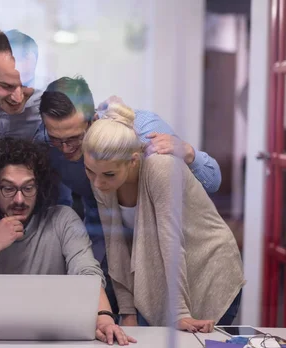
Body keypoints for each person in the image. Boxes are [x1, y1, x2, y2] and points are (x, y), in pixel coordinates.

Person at [35, 76, 223, 314]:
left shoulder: (142, 136)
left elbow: (212, 183)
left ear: (92, 121)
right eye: (55, 139)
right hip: (107, 252)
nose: (65, 148)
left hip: (170, 254)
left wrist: (188, 153)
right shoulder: (44, 143)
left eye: (73, 138)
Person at [0, 137, 136, 345]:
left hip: (58, 344)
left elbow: (86, 273)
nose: (19, 199)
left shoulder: (62, 220)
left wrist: (104, 318)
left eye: (28, 188)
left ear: (40, 188)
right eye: (8, 189)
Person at [81, 102, 245, 332]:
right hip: (164, 278)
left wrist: (178, 312)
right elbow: (116, 245)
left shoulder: (161, 166)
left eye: (108, 174)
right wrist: (127, 311)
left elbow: (171, 241)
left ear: (133, 161)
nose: (98, 183)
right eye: (89, 171)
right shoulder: (102, 175)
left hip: (207, 269)